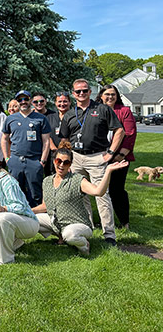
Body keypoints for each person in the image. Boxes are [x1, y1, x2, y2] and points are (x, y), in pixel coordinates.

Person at [59, 78, 125, 245]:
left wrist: (110, 153)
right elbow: (65, 138)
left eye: (85, 90)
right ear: (73, 94)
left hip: (97, 156)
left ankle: (109, 234)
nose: (81, 93)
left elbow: (120, 131)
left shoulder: (102, 109)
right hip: (76, 157)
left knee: (102, 195)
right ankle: (86, 228)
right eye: (78, 91)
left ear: (90, 92)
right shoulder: (69, 113)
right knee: (80, 195)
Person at [31, 144, 129, 256]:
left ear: (70, 165)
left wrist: (108, 171)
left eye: (66, 162)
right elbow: (45, 206)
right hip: (58, 222)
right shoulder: (47, 181)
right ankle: (59, 238)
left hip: (78, 224)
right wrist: (28, 211)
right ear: (54, 161)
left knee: (70, 235)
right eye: (59, 161)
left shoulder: (77, 180)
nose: (61, 165)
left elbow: (98, 192)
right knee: (31, 220)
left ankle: (84, 246)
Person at [1, 90, 51, 207]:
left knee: (35, 193)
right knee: (15, 191)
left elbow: (46, 141)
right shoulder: (10, 119)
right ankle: (18, 217)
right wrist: (7, 158)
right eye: (20, 100)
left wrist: (42, 161)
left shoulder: (40, 118)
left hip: (34, 160)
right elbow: (4, 139)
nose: (23, 102)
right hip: (16, 160)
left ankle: (36, 219)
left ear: (30, 100)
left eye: (25, 99)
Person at [97, 84, 136, 230]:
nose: (110, 97)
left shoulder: (124, 111)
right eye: (107, 94)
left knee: (117, 190)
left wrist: (119, 155)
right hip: (99, 157)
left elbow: (130, 134)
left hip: (119, 158)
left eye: (113, 94)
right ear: (101, 96)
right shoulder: (96, 110)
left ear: (117, 96)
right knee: (101, 190)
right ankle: (105, 221)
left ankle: (124, 222)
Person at [46, 91, 71, 176]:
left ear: (69, 102)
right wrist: (55, 150)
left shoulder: (74, 116)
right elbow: (47, 135)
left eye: (65, 101)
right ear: (55, 103)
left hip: (69, 154)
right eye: (59, 101)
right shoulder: (50, 117)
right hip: (53, 154)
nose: (62, 104)